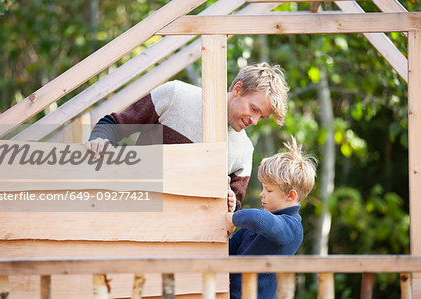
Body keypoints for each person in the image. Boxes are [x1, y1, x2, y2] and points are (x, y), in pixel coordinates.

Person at [85, 62, 289, 209]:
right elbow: (115, 124)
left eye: (261, 117)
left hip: (185, 244)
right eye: (253, 109)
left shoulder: (244, 150)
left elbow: (231, 214)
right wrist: (100, 140)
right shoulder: (176, 95)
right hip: (136, 209)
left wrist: (229, 204)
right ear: (238, 89)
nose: (254, 121)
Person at [227, 136, 317, 298]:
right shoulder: (260, 218)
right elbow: (230, 248)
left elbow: (258, 221)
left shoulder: (292, 228)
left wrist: (232, 218)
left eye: (268, 190)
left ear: (290, 195)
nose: (262, 194)